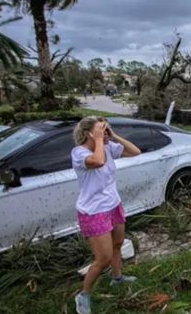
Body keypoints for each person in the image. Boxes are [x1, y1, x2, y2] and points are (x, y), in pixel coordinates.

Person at [71, 116, 141, 314]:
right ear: (88, 134)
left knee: (118, 245)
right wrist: (100, 140)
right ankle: (83, 295)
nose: (105, 132)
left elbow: (135, 151)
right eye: (100, 129)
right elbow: (98, 161)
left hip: (113, 205)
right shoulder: (78, 153)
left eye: (105, 129)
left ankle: (117, 278)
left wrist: (114, 136)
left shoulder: (108, 147)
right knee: (103, 258)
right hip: (93, 211)